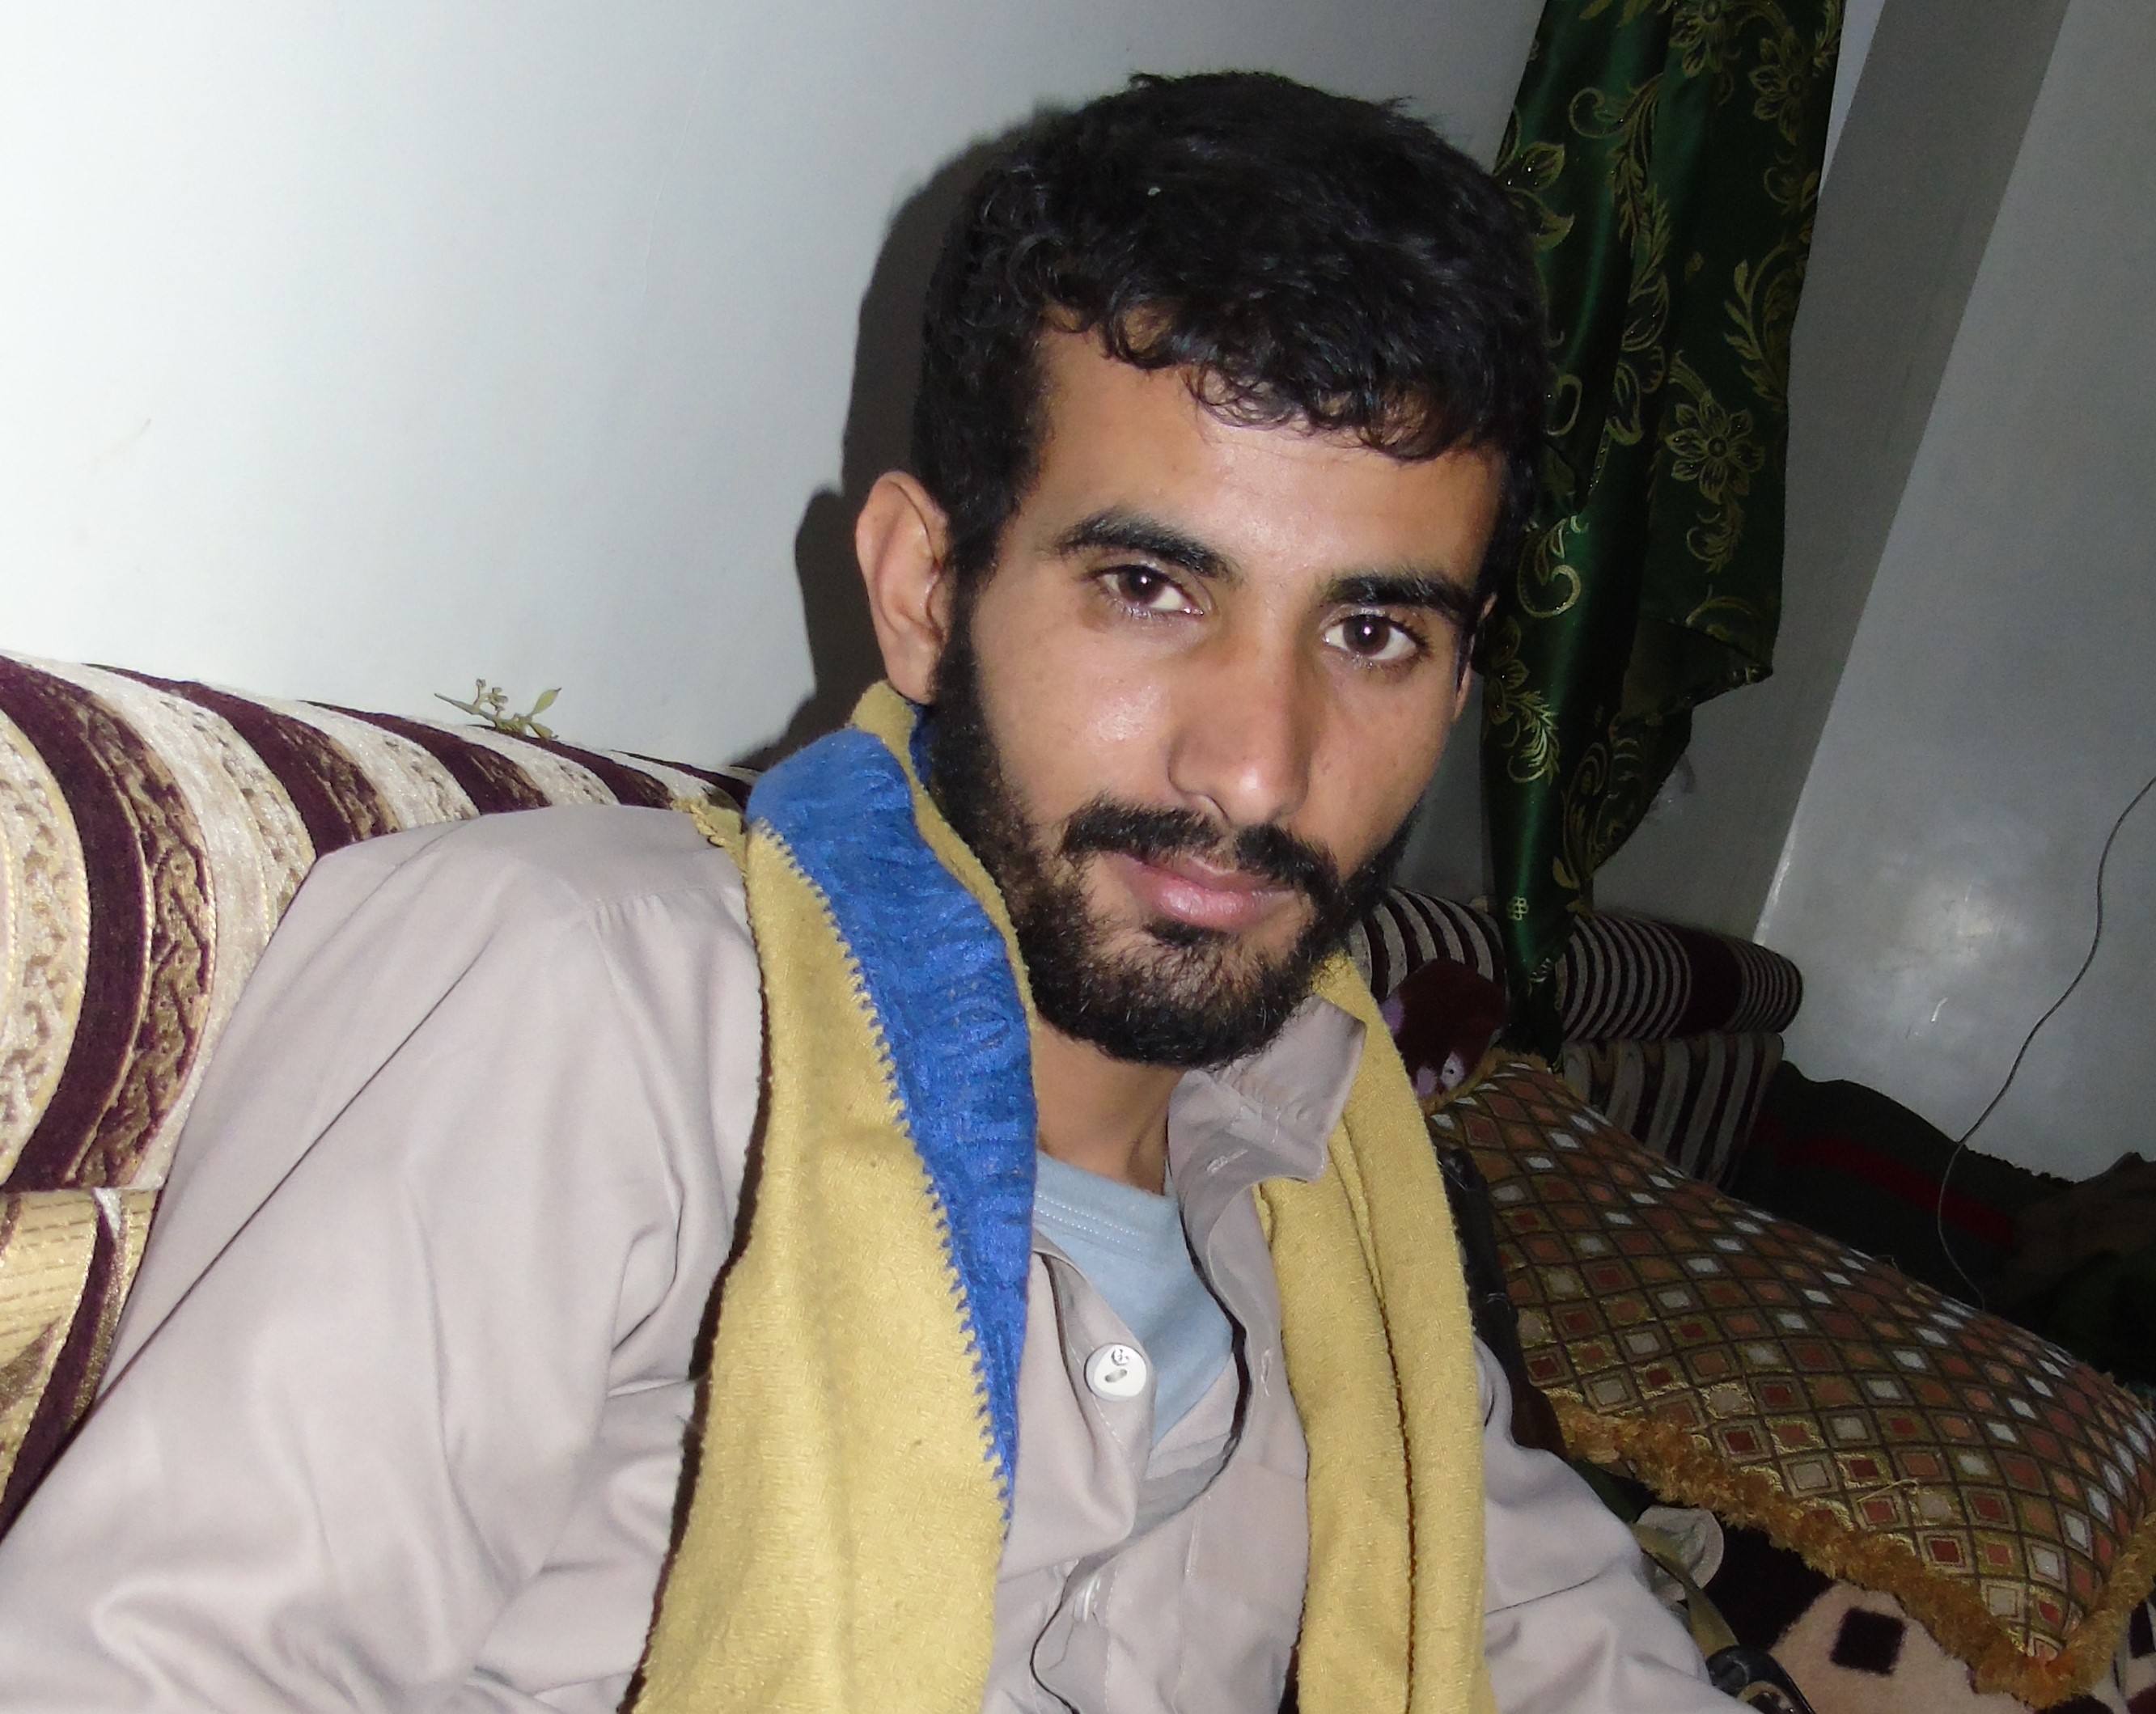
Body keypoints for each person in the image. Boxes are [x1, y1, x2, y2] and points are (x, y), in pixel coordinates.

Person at [0, 72, 1740, 1712]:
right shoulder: (592, 1001)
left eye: (1369, 631)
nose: (1257, 769)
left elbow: (1550, 1628)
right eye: (1148, 588)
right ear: (924, 590)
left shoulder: (1334, 1156)